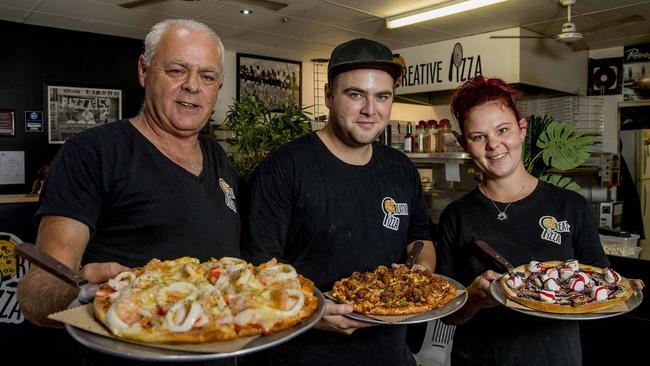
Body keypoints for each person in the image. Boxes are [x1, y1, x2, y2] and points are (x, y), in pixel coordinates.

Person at [17, 19, 241, 365]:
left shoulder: (218, 157)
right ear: (143, 70)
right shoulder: (92, 153)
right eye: (177, 71)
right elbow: (36, 294)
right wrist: (78, 290)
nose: (193, 86)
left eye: (207, 77)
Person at [242, 38, 435, 366]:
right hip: (305, 354)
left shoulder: (400, 168)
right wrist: (313, 312)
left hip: (391, 353)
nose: (370, 110)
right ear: (329, 96)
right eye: (355, 94)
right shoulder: (284, 168)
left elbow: (420, 238)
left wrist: (419, 271)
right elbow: (258, 269)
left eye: (382, 96)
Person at [436, 75, 645, 366]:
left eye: (502, 130)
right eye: (478, 136)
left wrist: (623, 288)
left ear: (522, 130)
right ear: (464, 143)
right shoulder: (456, 217)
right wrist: (473, 298)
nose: (494, 145)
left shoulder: (570, 206)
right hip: (480, 359)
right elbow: (449, 316)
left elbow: (602, 288)